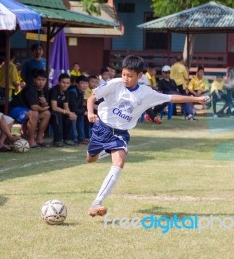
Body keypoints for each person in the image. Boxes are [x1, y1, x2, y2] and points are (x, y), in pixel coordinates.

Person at [85, 55, 208, 217]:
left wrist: (196, 98)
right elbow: (92, 97)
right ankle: (103, 151)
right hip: (102, 128)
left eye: (130, 76)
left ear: (139, 76)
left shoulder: (146, 92)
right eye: (123, 74)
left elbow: (171, 98)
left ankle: (97, 202)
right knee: (90, 159)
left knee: (119, 162)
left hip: (120, 133)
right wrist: (91, 113)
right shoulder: (115, 84)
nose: (125, 78)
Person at [9, 69, 51, 148]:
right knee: (35, 113)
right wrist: (44, 108)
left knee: (47, 114)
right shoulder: (30, 88)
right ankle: (31, 140)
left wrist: (44, 103)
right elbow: (34, 107)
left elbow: (45, 105)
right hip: (15, 109)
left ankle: (39, 139)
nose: (41, 82)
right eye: (39, 79)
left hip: (27, 111)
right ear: (34, 80)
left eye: (43, 80)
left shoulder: (45, 89)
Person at [48, 73, 77, 147]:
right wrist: (67, 112)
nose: (65, 85)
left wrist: (70, 113)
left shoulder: (67, 92)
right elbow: (54, 107)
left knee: (68, 116)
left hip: (60, 111)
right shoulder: (54, 90)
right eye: (63, 82)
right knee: (57, 115)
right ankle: (58, 140)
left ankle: (66, 139)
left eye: (67, 83)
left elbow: (66, 106)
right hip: (49, 112)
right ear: (59, 82)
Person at [68, 75, 89, 144]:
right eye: (82, 83)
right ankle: (73, 138)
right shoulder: (73, 92)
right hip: (67, 111)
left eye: (86, 83)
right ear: (77, 84)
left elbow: (80, 106)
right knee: (75, 115)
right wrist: (84, 112)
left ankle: (81, 138)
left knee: (81, 115)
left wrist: (84, 111)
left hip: (74, 111)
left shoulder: (81, 92)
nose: (85, 85)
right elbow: (72, 108)